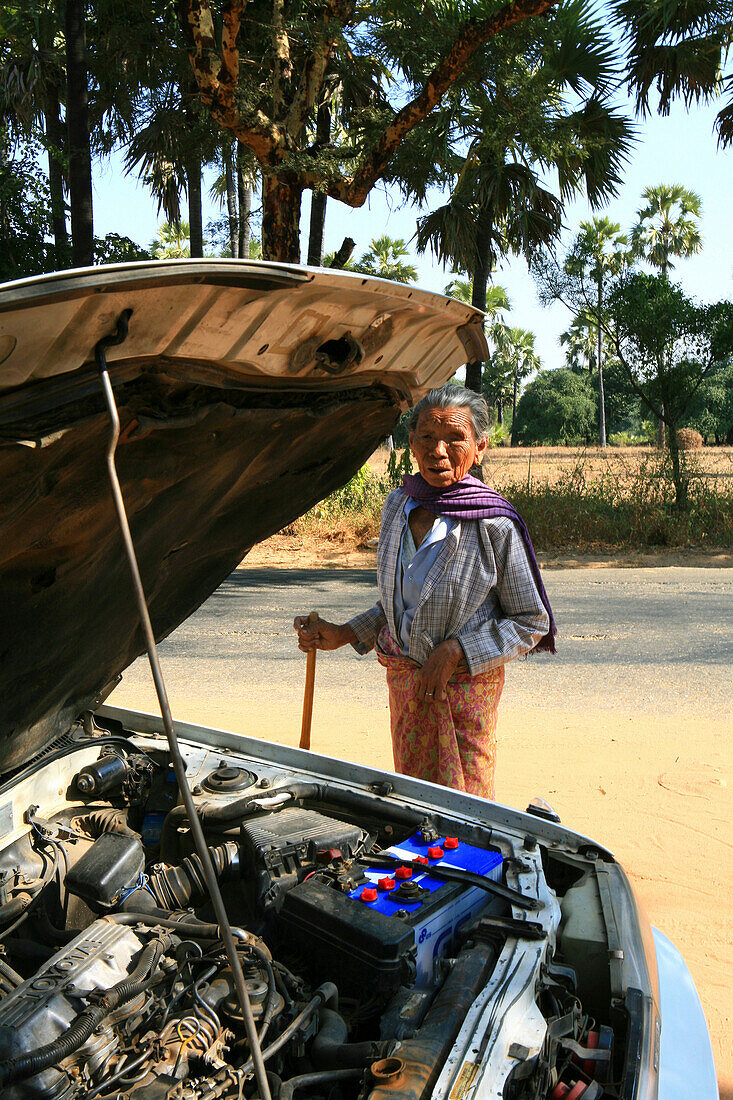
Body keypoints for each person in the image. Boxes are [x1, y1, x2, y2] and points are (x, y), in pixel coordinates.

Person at [294, 384, 555, 799]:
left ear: (480, 447)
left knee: (465, 808)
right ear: (411, 444)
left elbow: (531, 622)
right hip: (409, 688)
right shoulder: (398, 506)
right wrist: (345, 632)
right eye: (427, 438)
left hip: (464, 695)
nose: (439, 450)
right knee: (412, 800)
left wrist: (456, 652)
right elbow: (401, 603)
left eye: (455, 438)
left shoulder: (494, 525)